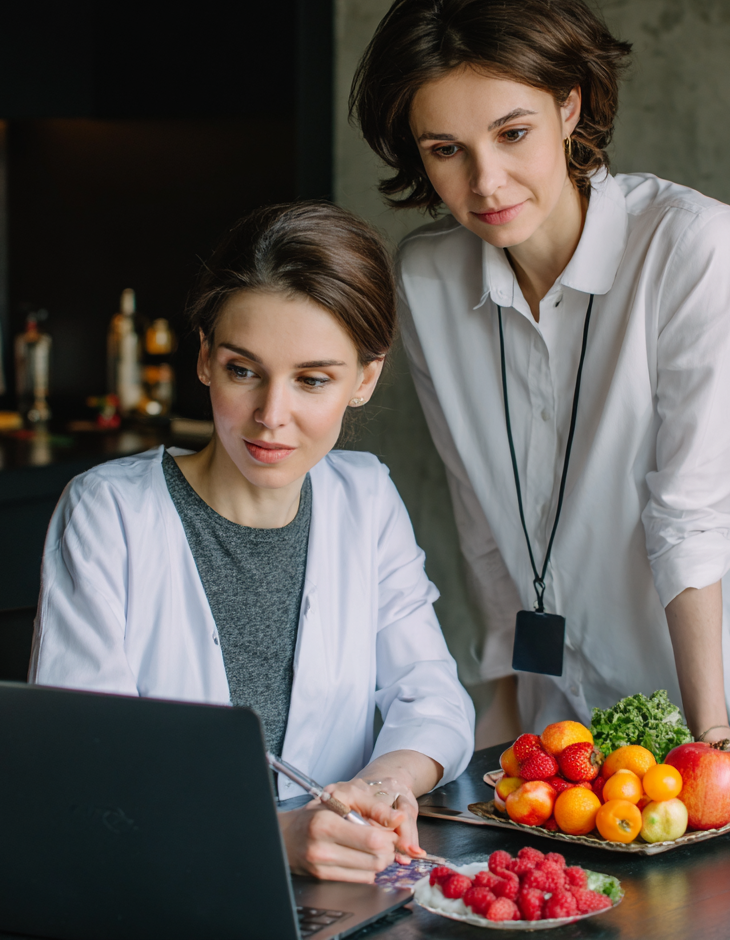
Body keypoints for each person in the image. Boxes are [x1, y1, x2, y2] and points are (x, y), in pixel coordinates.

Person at [350, 0, 730, 800]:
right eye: (445, 151)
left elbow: (692, 508)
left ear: (568, 107)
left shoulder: (688, 242)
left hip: (718, 658)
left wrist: (714, 736)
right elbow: (481, 510)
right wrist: (502, 708)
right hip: (560, 675)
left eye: (513, 132)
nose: (484, 183)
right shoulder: (426, 276)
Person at [29, 202, 475, 880]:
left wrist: (385, 785)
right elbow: (88, 769)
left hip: (345, 892)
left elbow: (435, 699)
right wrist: (279, 837)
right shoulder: (109, 512)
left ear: (365, 378)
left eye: (312, 380)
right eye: (244, 370)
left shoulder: (366, 497)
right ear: (205, 357)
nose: (271, 416)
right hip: (160, 885)